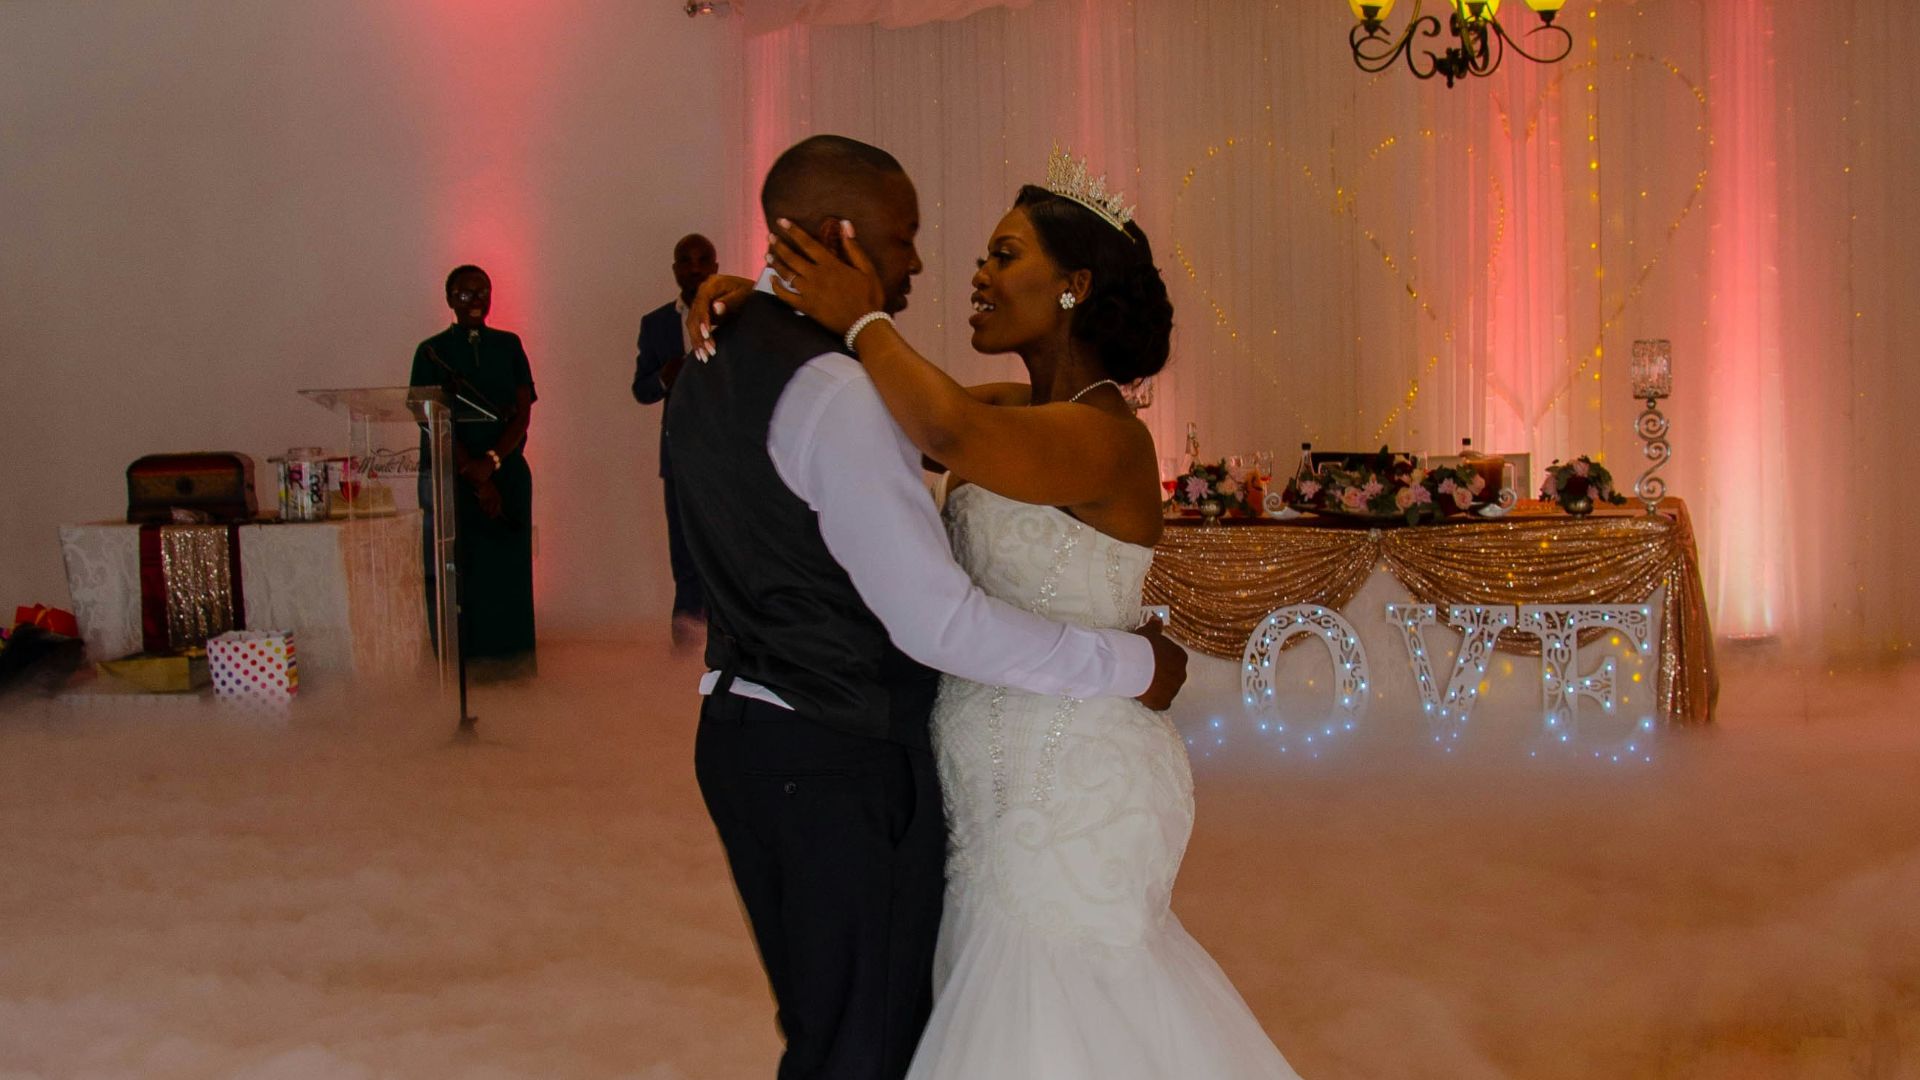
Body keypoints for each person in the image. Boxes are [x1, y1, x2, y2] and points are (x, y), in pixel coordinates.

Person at [721, 148, 1301, 1078]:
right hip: (983, 779)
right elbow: (891, 405)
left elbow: (945, 428)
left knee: (1055, 1010)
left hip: (1072, 781)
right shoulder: (1018, 407)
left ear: (1074, 286)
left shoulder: (1104, 438)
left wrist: (861, 314)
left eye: (1004, 255)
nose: (977, 275)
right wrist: (757, 301)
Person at [409, 264, 537, 679]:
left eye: (482, 291)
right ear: (449, 299)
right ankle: (463, 667)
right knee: (461, 571)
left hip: (506, 475)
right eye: (465, 294)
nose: (475, 300)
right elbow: (429, 417)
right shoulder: (429, 352)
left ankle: (513, 667)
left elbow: (522, 414)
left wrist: (492, 463)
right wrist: (471, 471)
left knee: (507, 574)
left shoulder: (509, 345)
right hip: (452, 478)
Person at [632, 234, 718, 649]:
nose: (695, 268)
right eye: (686, 260)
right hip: (679, 457)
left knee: (725, 555)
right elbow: (641, 390)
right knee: (684, 558)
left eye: (703, 260)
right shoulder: (656, 324)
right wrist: (665, 377)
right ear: (675, 269)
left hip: (727, 458)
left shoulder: (737, 318)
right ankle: (684, 653)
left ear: (715, 268)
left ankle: (728, 647)